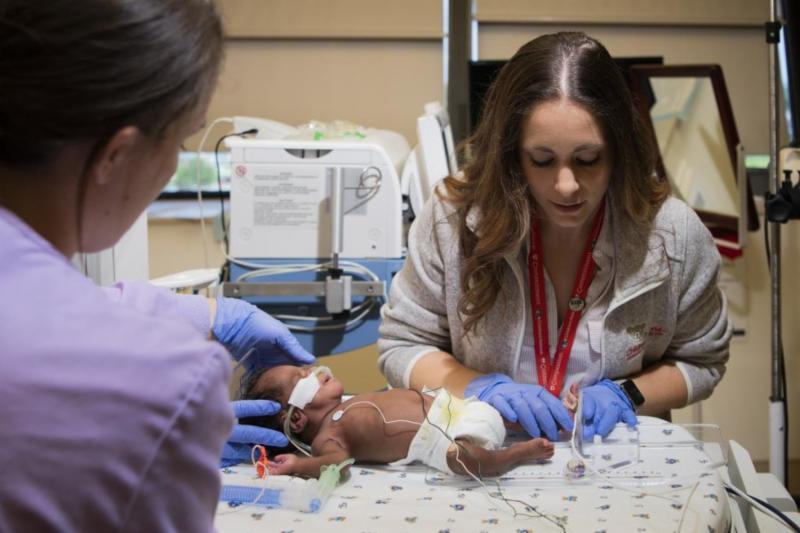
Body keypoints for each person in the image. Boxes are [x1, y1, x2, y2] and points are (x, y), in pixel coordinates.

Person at [0, 1, 312, 531]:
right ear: (116, 155)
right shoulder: (162, 384)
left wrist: (212, 316)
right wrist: (175, 423)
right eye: (182, 140)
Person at [379, 32, 731, 442]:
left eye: (588, 159)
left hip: (613, 457)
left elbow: (702, 361)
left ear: (619, 151)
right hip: (486, 453)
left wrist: (628, 394)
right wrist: (479, 388)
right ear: (511, 154)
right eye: (542, 160)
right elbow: (402, 346)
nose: (567, 186)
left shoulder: (673, 235)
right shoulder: (452, 220)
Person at [241, 365, 555, 478]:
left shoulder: (348, 401)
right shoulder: (328, 438)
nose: (312, 369)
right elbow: (338, 465)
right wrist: (298, 465)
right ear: (296, 418)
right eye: (301, 376)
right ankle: (512, 456)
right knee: (463, 458)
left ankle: (563, 408)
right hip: (445, 439)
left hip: (459, 406)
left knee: (518, 411)